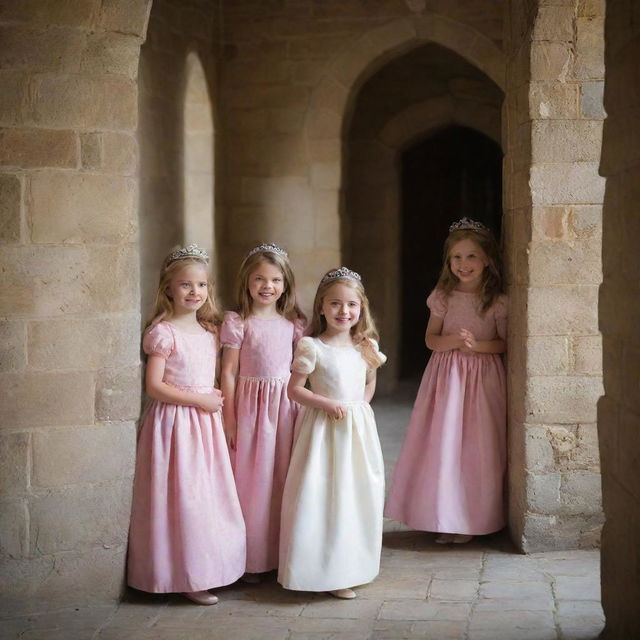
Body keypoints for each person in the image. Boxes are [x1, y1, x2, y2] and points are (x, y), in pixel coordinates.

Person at [127, 244, 246, 605]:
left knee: (206, 497)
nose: (195, 292)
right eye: (185, 285)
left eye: (202, 285)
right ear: (168, 289)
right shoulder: (163, 333)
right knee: (181, 498)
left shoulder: (210, 331)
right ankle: (183, 575)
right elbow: (155, 386)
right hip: (175, 424)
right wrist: (200, 400)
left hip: (204, 427)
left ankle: (209, 569)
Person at [385, 218, 507, 544]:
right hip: (447, 378)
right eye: (456, 257)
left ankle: (469, 520)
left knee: (476, 448)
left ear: (487, 260)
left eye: (471, 257)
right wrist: (452, 341)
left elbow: (503, 344)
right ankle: (443, 516)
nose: (463, 264)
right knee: (444, 446)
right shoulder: (443, 296)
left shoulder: (496, 301)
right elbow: (430, 339)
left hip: (482, 381)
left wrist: (476, 346)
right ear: (448, 261)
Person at [278, 267, 386, 599]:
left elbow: (369, 380)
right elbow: (294, 390)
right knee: (324, 494)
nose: (344, 311)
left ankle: (351, 566)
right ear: (322, 307)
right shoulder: (313, 346)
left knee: (355, 495)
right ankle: (323, 571)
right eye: (335, 304)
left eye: (351, 305)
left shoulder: (365, 344)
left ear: (361, 308)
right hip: (323, 434)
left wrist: (360, 409)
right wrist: (325, 403)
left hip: (356, 432)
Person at [220, 243, 306, 581]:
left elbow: (303, 372)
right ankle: (251, 559)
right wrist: (229, 417)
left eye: (275, 280)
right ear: (246, 282)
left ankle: (279, 555)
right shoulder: (238, 322)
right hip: (250, 411)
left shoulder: (294, 325)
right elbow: (228, 371)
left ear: (285, 284)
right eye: (259, 279)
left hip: (284, 410)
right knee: (252, 483)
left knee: (283, 479)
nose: (267, 286)